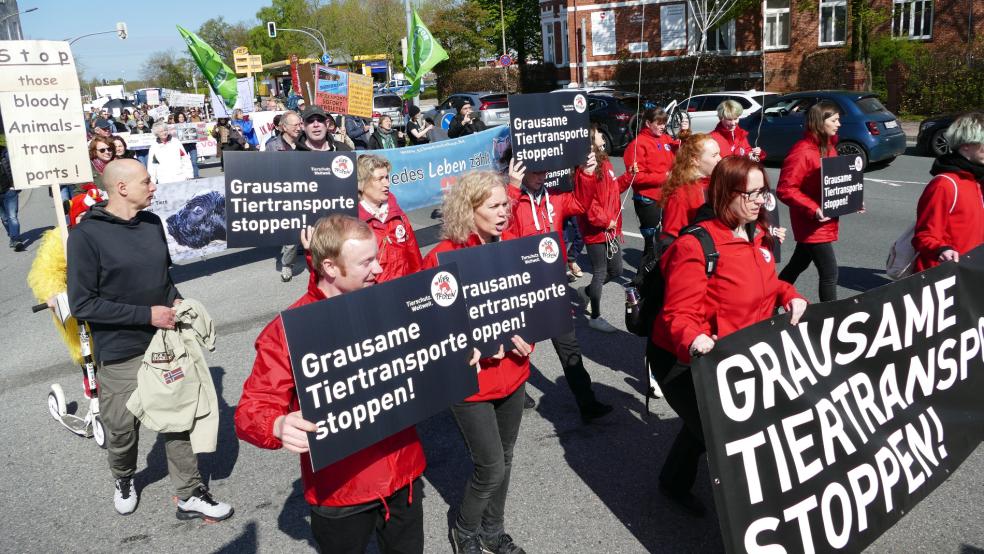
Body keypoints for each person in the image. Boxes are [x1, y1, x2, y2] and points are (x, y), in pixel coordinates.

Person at [236, 214, 426, 553]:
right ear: (331, 267)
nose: (379, 269)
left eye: (377, 258)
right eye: (367, 262)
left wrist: (460, 355)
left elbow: (432, 350)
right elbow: (252, 408)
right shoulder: (290, 330)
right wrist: (277, 424)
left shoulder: (390, 303)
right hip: (342, 492)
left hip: (404, 475)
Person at [67, 159, 233, 520]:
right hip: (120, 351)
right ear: (122, 188)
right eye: (147, 181)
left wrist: (174, 299)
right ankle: (124, 477)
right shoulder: (85, 236)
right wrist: (146, 315)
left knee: (177, 419)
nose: (154, 187)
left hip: (164, 342)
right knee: (122, 429)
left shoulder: (152, 223)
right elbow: (83, 304)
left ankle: (189, 492)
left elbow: (163, 278)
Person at [649, 156, 806, 516]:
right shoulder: (696, 246)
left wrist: (789, 295)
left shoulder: (758, 234)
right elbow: (678, 314)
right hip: (685, 362)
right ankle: (750, 521)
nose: (758, 201)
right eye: (749, 194)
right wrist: (694, 338)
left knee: (703, 427)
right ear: (723, 193)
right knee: (726, 439)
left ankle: (672, 482)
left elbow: (767, 285)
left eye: (762, 193)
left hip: (733, 357)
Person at [421, 171, 532, 554]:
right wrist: (473, 344)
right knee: (491, 466)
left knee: (507, 456)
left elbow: (528, 309)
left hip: (513, 374)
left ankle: (493, 530)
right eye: (494, 206)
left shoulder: (514, 246)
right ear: (469, 210)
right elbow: (427, 328)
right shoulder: (440, 258)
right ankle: (465, 529)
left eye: (506, 205)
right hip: (469, 382)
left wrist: (526, 336)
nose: (504, 213)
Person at [505, 154, 613, 419]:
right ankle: (514, 395)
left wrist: (587, 173)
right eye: (536, 172)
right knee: (519, 348)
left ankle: (587, 403)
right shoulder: (511, 202)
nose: (542, 175)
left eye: (544, 171)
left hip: (553, 285)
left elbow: (579, 203)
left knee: (569, 347)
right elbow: (501, 230)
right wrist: (511, 186)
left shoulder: (554, 197)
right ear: (522, 171)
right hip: (522, 288)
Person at [776, 101, 842, 302]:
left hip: (823, 220)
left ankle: (770, 301)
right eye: (834, 120)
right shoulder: (802, 152)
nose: (839, 124)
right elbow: (785, 189)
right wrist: (813, 209)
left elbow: (835, 182)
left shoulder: (829, 147)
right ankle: (831, 319)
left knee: (797, 265)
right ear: (820, 123)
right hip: (811, 223)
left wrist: (851, 199)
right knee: (830, 273)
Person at [575, 124, 634, 329]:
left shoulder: (605, 160)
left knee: (616, 270)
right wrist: (603, 220)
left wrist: (628, 175)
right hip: (597, 229)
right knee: (600, 271)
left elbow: (613, 188)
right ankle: (595, 317)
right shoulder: (585, 168)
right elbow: (587, 204)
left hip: (611, 227)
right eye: (599, 133)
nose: (602, 135)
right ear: (591, 141)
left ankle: (588, 292)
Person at [913, 112, 984, 272]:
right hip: (945, 276)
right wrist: (941, 250)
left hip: (971, 272)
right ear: (966, 144)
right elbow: (924, 236)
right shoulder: (944, 185)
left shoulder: (977, 180)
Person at [623, 107, 690, 260]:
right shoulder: (637, 144)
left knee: (667, 238)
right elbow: (635, 177)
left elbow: (682, 150)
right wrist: (664, 176)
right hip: (648, 199)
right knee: (651, 243)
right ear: (648, 123)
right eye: (659, 123)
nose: (663, 127)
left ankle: (660, 275)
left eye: (664, 123)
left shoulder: (665, 139)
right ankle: (641, 280)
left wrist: (685, 133)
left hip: (667, 196)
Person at [357, 155, 422, 281]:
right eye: (380, 179)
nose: (387, 183)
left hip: (405, 291)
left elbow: (415, 261)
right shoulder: (353, 223)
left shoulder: (399, 216)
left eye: (387, 177)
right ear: (362, 184)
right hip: (374, 296)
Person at [660, 133, 721, 240]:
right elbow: (671, 237)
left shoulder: (716, 183)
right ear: (695, 160)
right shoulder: (681, 193)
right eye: (714, 155)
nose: (720, 159)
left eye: (719, 154)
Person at [0, 145, 24, 251]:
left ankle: (15, 239)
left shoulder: (6, 153)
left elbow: (17, 168)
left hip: (9, 190)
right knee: (5, 219)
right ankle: (12, 236)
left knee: (12, 216)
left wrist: (16, 184)